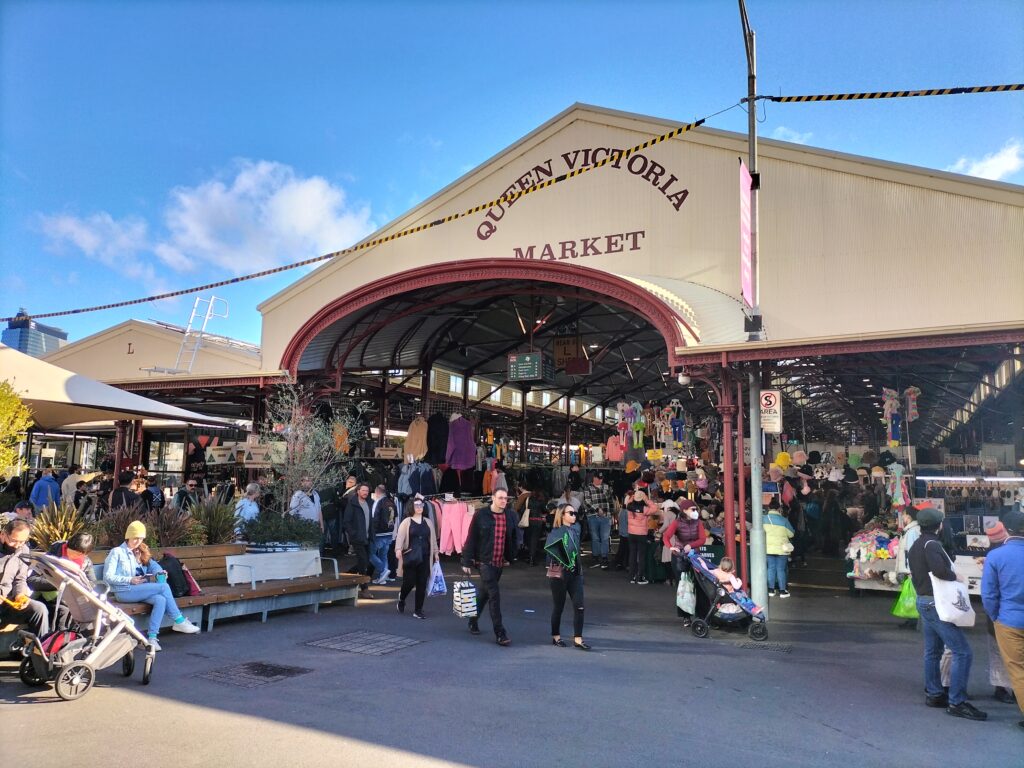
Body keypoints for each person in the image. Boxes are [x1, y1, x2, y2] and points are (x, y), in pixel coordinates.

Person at [908, 505, 987, 721]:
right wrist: (957, 578)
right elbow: (940, 571)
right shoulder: (933, 545)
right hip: (937, 603)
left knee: (932, 651)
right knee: (962, 651)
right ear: (940, 525)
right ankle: (957, 701)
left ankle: (934, 693)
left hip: (923, 600)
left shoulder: (916, 544)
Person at [103, 520, 200, 651]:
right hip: (124, 591)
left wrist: (160, 572)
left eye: (141, 538)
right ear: (128, 536)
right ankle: (179, 620)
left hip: (139, 590)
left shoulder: (141, 550)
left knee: (161, 599)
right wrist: (129, 579)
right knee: (164, 587)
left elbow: (153, 565)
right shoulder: (117, 552)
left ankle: (152, 638)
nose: (138, 541)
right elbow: (107, 577)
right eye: (135, 538)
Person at [981, 510, 1024, 729]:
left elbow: (988, 595)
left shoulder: (996, 557)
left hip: (1009, 620)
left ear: (1006, 528)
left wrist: (996, 616)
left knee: (1018, 669)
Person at [461, 488, 518, 646]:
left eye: (505, 498)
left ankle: (472, 620)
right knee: (494, 595)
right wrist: (466, 561)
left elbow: (512, 536)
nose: (503, 501)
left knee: (484, 594)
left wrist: (511, 556)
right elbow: (471, 538)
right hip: (484, 562)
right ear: (492, 498)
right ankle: (500, 633)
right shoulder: (481, 515)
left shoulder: (509, 515)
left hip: (499, 562)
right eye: (500, 498)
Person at [29, 531, 98, 631]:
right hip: (48, 599)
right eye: (71, 552)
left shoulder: (86, 563)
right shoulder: (53, 555)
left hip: (73, 602)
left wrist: (79, 586)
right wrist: (58, 582)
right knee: (65, 610)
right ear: (67, 545)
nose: (73, 557)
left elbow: (93, 583)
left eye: (78, 555)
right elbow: (32, 581)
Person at [546, 503, 589, 650]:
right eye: (570, 513)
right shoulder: (556, 532)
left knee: (580, 606)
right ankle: (556, 636)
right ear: (562, 515)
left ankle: (578, 639)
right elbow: (550, 552)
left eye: (575, 513)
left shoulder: (575, 529)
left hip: (575, 573)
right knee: (559, 606)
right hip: (560, 573)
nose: (574, 516)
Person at [0, 519, 49, 637]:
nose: (17, 545)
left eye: (22, 541)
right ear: (3, 534)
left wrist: (20, 595)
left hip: (8, 601)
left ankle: (40, 651)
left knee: (39, 609)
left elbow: (20, 578)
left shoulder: (24, 550)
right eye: (14, 541)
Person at [394, 498, 439, 619]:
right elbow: (400, 537)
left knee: (422, 583)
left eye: (421, 505)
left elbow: (433, 539)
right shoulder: (406, 522)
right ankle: (402, 598)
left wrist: (436, 553)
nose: (419, 507)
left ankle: (418, 610)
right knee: (409, 581)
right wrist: (398, 549)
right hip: (410, 556)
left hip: (425, 556)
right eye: (417, 505)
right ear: (411, 507)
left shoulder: (428, 522)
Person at [342, 482, 375, 599]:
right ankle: (364, 588)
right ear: (358, 491)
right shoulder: (352, 503)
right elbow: (346, 521)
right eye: (363, 490)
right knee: (363, 561)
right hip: (357, 538)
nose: (365, 492)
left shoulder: (370, 502)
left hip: (367, 537)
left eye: (367, 490)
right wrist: (353, 534)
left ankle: (347, 575)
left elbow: (372, 520)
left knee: (367, 562)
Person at [625, 487, 657, 585]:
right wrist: (646, 499)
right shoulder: (645, 509)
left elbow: (628, 501)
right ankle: (640, 577)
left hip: (631, 533)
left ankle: (632, 576)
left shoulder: (629, 506)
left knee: (632, 555)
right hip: (642, 534)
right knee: (641, 556)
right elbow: (655, 508)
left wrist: (634, 496)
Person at [583, 472, 615, 569]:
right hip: (593, 516)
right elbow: (587, 501)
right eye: (598, 478)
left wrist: (612, 514)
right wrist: (597, 509)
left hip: (606, 516)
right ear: (594, 478)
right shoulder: (588, 488)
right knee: (595, 537)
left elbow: (611, 501)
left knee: (605, 538)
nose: (600, 480)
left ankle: (604, 557)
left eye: (601, 478)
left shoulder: (606, 487)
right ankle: (595, 557)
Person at [765, 501, 795, 598]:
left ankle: (771, 590)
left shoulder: (763, 519)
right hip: (782, 549)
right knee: (781, 570)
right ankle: (782, 591)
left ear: (769, 508)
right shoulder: (784, 520)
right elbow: (791, 534)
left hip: (768, 549)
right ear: (779, 509)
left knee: (771, 568)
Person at [370, 485, 398, 584]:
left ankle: (383, 570)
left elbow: (374, 518)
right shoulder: (391, 502)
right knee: (384, 555)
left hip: (379, 533)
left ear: (377, 492)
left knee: (370, 554)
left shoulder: (378, 502)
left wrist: (372, 532)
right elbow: (395, 517)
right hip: (389, 532)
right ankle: (383, 578)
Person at [524, 489, 548, 566]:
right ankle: (532, 559)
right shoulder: (540, 502)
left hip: (529, 522)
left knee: (529, 539)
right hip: (537, 522)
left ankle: (530, 557)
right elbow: (545, 511)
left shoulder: (527, 501)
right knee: (534, 540)